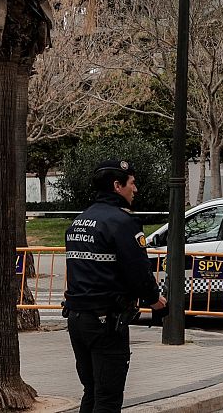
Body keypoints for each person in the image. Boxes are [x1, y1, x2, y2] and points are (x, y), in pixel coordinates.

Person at [64, 160, 165, 413]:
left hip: (77, 318)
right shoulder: (122, 222)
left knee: (92, 391)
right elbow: (138, 271)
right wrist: (155, 300)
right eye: (132, 183)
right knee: (108, 397)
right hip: (106, 320)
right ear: (117, 186)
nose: (136, 189)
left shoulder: (79, 221)